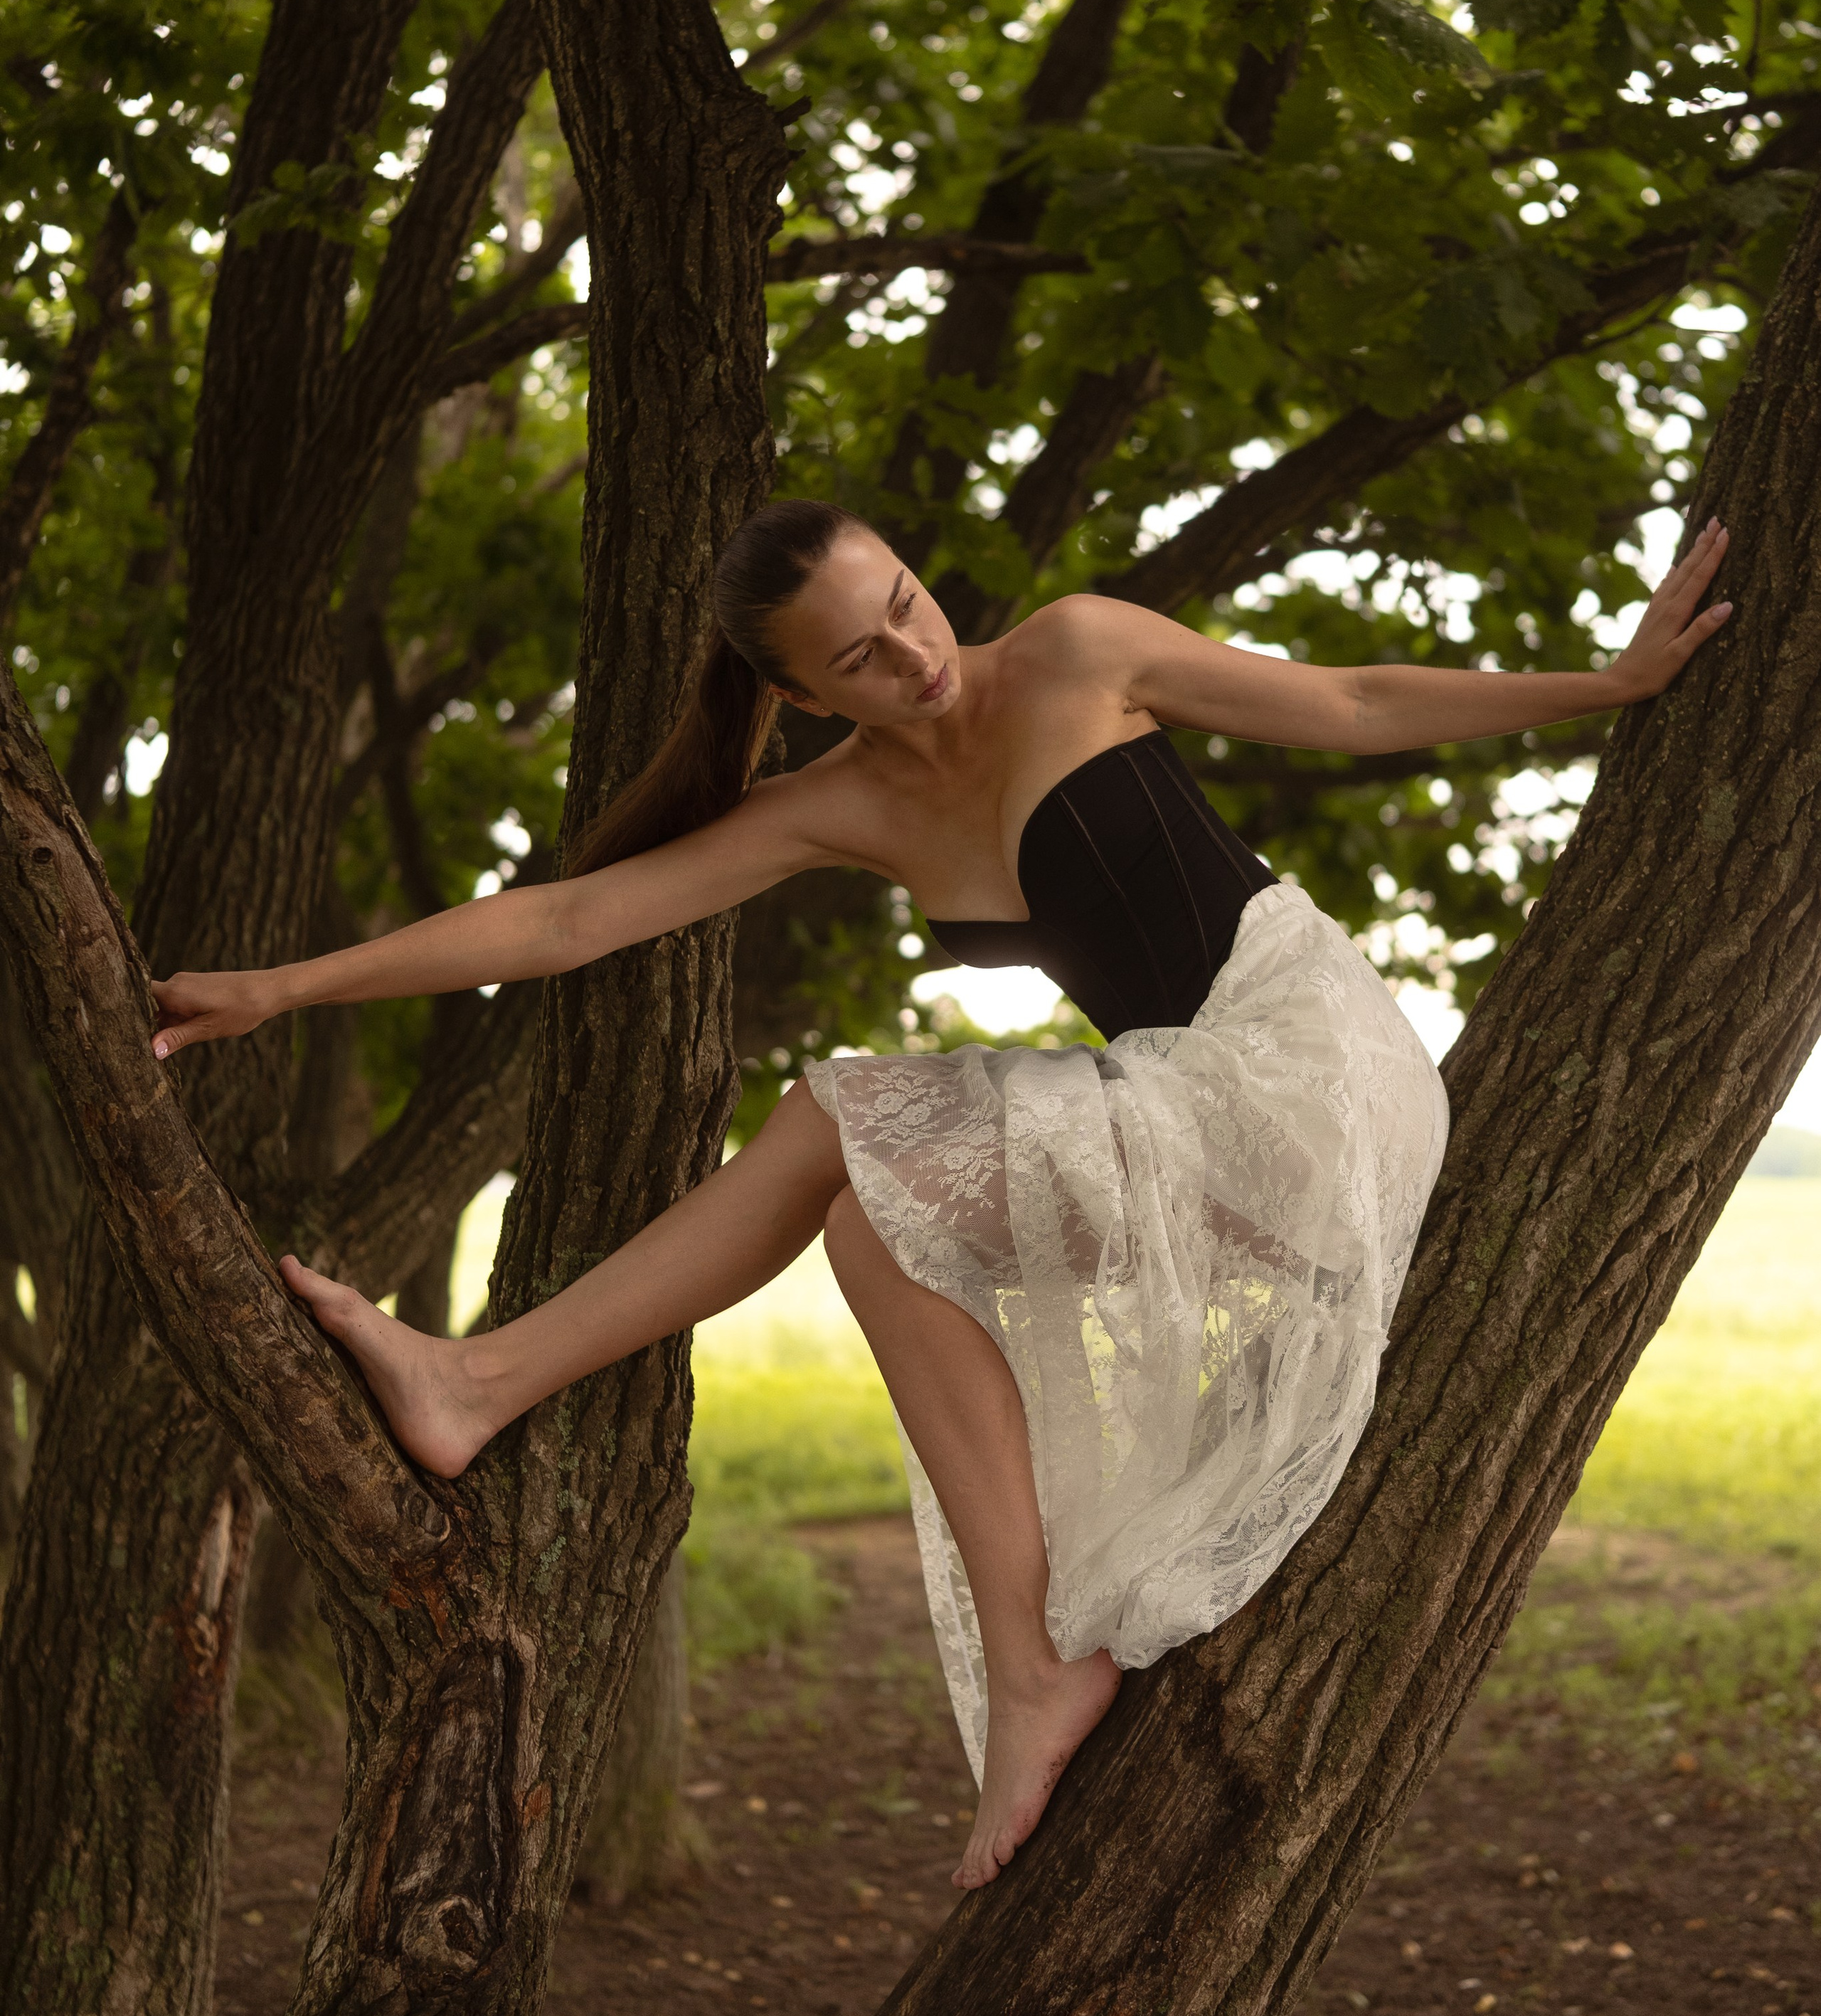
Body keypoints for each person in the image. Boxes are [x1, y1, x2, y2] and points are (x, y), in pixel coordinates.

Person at [150, 502, 1733, 1889]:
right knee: (863, 1212)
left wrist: (1601, 686)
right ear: (790, 695)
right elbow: (565, 920)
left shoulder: (1074, 652)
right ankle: (999, 1640)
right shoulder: (836, 808)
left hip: (1305, 1066)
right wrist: (283, 990)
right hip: (1191, 1118)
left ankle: (487, 1378)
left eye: (903, 602)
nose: (914, 657)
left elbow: (1349, 697)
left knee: (839, 1120)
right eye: (856, 657)